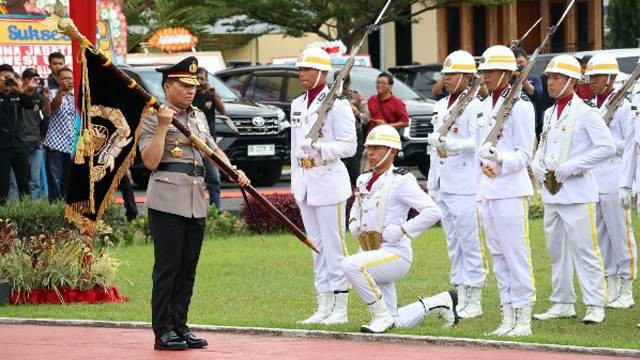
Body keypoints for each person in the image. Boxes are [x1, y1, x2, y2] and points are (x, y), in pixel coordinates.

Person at [138, 56, 250, 350]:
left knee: (188, 267)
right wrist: (163, 125)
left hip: (194, 199)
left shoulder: (198, 116)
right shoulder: (151, 116)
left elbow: (212, 150)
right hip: (166, 200)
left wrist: (234, 171)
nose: (191, 90)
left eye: (193, 85)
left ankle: (180, 325)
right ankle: (163, 330)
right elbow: (150, 161)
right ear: (167, 86)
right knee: (168, 268)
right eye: (184, 85)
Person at [343, 124, 456, 333]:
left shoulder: (402, 180)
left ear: (392, 151)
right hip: (370, 251)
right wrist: (353, 222)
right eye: (369, 147)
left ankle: (381, 317)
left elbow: (433, 212)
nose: (370, 153)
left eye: (377, 148)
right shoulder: (363, 178)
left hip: (395, 253)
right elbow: (357, 206)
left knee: (351, 266)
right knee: (397, 322)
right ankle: (440, 302)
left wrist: (402, 229)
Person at [531, 55, 614, 325]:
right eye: (549, 78)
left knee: (586, 251)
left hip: (577, 193)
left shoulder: (587, 113)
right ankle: (562, 302)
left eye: (555, 78)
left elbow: (606, 147)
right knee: (557, 252)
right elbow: (544, 145)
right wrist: (537, 165)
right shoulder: (548, 112)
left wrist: (573, 166)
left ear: (571, 81)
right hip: (553, 193)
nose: (550, 83)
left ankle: (594, 303)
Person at [290, 47, 357, 325]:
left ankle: (340, 306)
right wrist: (296, 182)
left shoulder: (338, 104)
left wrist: (320, 147)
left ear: (322, 72)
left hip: (329, 180)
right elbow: (294, 147)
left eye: (307, 69)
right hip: (305, 182)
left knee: (333, 245)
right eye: (300, 69)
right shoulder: (297, 103)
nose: (302, 74)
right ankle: (323, 303)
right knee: (315, 246)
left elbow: (350, 146)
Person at [476, 45, 537, 336]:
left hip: (511, 189)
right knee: (498, 254)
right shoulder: (487, 104)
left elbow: (526, 153)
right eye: (484, 71)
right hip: (488, 190)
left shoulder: (520, 105)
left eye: (490, 71)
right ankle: (507, 313)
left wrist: (501, 159)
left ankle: (523, 317)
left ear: (506, 73)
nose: (485, 76)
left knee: (516, 253)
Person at [426, 50, 486, 319]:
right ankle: (460, 292)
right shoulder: (442, 105)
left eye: (452, 74)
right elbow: (434, 150)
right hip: (444, 182)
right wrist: (432, 182)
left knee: (469, 242)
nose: (447, 79)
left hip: (465, 183)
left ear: (466, 76)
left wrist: (452, 145)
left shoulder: (475, 105)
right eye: (445, 74)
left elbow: (479, 144)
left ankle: (475, 296)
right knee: (454, 243)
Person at [586, 53, 636, 310]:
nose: (592, 81)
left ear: (610, 78)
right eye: (591, 76)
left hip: (616, 176)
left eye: (596, 77)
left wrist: (605, 140)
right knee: (602, 236)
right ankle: (612, 284)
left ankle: (626, 286)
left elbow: (631, 144)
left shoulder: (625, 105)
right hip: (596, 178)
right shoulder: (591, 105)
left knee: (621, 233)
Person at [0, 64, 40, 204]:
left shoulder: (17, 94)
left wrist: (20, 90)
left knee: (24, 184)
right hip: (2, 148)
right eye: (4, 77)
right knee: (2, 186)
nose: (7, 81)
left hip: (19, 145)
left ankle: (27, 215)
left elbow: (31, 106)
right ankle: (3, 220)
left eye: (9, 77)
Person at [192, 67, 225, 210]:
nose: (199, 82)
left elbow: (223, 110)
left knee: (214, 179)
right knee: (192, 179)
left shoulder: (210, 95)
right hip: (192, 142)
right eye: (196, 79)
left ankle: (215, 212)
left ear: (206, 80)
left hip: (210, 143)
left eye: (202, 79)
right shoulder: (190, 95)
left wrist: (214, 95)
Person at [43, 67, 75, 203]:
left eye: (69, 78)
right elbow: (53, 108)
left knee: (68, 180)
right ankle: (54, 209)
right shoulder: (52, 94)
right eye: (63, 78)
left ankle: (66, 210)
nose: (67, 81)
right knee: (54, 180)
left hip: (72, 145)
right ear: (57, 80)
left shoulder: (78, 96)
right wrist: (61, 90)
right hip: (55, 144)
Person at [334, 71, 370, 187]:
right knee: (337, 166)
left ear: (349, 83)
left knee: (354, 168)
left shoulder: (356, 95)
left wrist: (357, 113)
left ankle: (354, 193)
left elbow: (367, 116)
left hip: (354, 132)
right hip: (335, 134)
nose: (343, 87)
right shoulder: (329, 96)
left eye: (345, 83)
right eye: (339, 83)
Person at [19, 68, 50, 200]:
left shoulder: (38, 98)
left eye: (37, 79)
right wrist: (26, 90)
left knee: (35, 181)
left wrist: (47, 98)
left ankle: (34, 211)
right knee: (18, 181)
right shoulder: (16, 95)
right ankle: (14, 213)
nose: (34, 81)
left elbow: (47, 114)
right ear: (23, 79)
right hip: (18, 143)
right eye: (31, 78)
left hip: (35, 141)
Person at [513, 48, 544, 137]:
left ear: (527, 62)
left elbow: (538, 95)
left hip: (530, 124)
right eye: (516, 63)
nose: (518, 65)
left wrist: (524, 80)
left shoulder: (534, 78)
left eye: (521, 62)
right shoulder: (507, 80)